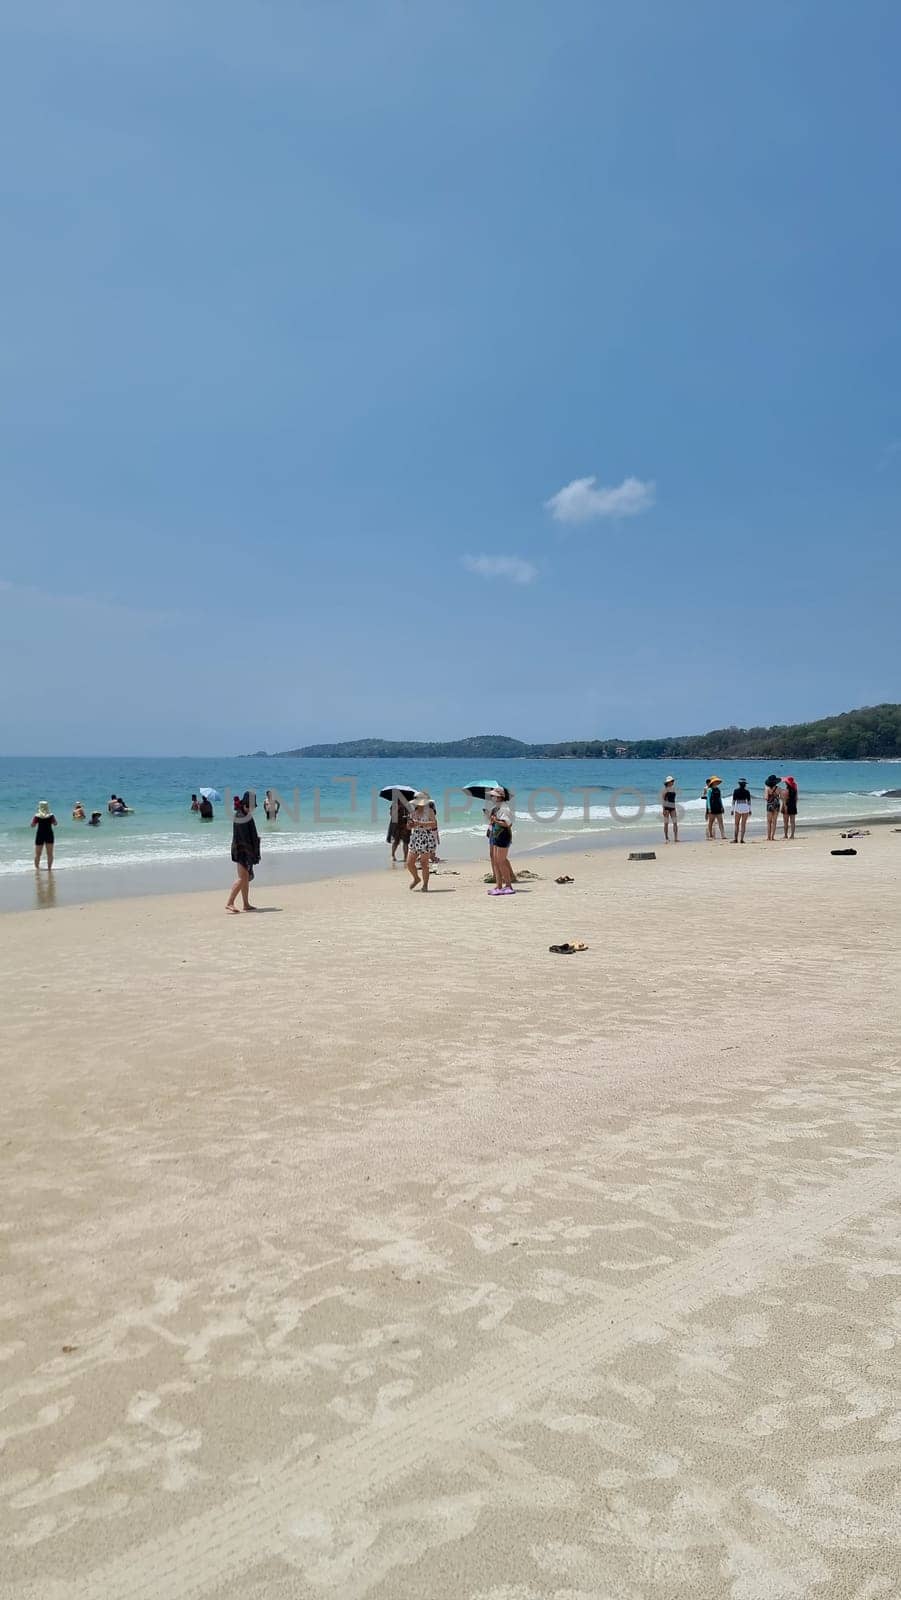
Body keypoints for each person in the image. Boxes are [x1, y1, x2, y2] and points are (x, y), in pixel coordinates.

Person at [226, 791, 261, 912]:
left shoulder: (244, 815)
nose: (253, 808)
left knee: (245, 878)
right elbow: (243, 839)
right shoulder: (241, 817)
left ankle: (246, 904)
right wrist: (251, 855)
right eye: (252, 806)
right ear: (247, 804)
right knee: (243, 878)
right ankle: (230, 902)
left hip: (245, 851)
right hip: (242, 852)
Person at [406, 791, 437, 891]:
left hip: (426, 837)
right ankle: (416, 878)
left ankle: (425, 885)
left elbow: (434, 824)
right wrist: (410, 824)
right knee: (409, 863)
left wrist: (420, 823)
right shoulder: (413, 812)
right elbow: (408, 826)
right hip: (415, 837)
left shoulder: (430, 811)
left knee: (424, 863)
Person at [487, 786, 515, 894]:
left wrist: (496, 821)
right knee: (496, 861)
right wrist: (492, 820)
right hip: (496, 835)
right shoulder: (496, 808)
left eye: (493, 796)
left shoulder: (504, 808)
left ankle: (508, 885)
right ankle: (498, 886)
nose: (492, 797)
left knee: (501, 861)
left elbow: (508, 823)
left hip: (503, 836)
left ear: (499, 797)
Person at [31, 801, 58, 869]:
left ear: (39, 807)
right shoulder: (51, 815)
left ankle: (37, 868)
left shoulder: (37, 816)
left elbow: (32, 825)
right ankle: (49, 868)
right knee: (50, 854)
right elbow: (55, 824)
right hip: (49, 835)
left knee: (38, 854)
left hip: (40, 835)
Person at [387, 797, 411, 862]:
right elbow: (391, 815)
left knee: (406, 842)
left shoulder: (407, 805)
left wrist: (408, 817)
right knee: (396, 842)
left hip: (405, 825)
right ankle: (393, 855)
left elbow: (410, 814)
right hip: (396, 826)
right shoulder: (394, 805)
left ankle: (405, 857)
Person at [731, 778, 752, 843]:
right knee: (743, 824)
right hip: (745, 807)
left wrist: (732, 810)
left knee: (736, 824)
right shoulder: (747, 791)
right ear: (745, 784)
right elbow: (749, 802)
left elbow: (734, 801)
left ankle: (735, 839)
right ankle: (742, 839)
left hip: (738, 807)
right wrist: (750, 810)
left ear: (739, 784)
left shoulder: (735, 790)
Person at [660, 776, 678, 843]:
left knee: (675, 822)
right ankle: (666, 838)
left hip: (673, 807)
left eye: (673, 781)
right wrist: (663, 809)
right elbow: (663, 800)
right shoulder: (665, 790)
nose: (673, 782)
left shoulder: (673, 789)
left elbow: (673, 799)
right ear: (668, 782)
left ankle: (676, 838)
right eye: (672, 781)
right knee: (666, 823)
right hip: (666, 807)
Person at [764, 775, 781, 841]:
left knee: (769, 822)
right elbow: (780, 797)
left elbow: (766, 798)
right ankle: (772, 837)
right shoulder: (778, 788)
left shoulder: (767, 788)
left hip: (770, 805)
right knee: (774, 821)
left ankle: (768, 837)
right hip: (777, 804)